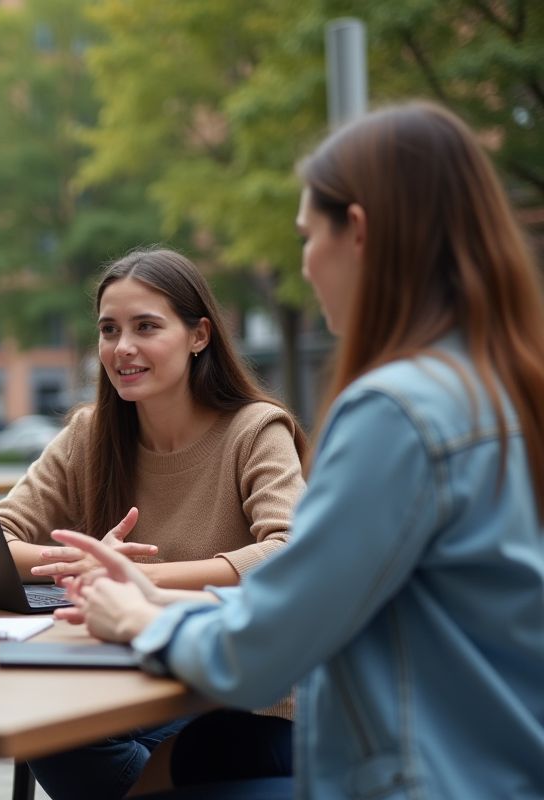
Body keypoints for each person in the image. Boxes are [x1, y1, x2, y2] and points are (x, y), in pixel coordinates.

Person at [59, 102, 544, 799]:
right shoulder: (497, 393)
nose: (306, 267)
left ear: (358, 232)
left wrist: (141, 618)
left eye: (307, 237)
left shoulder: (396, 413)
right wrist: (161, 607)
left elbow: (268, 650)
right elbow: (319, 608)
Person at [0, 248, 308, 800]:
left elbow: (291, 552)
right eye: (109, 329)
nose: (123, 348)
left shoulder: (255, 430)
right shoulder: (90, 434)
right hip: (131, 679)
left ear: (199, 336)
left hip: (242, 700)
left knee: (86, 736)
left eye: (146, 327)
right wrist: (85, 564)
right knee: (49, 728)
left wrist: (142, 580)